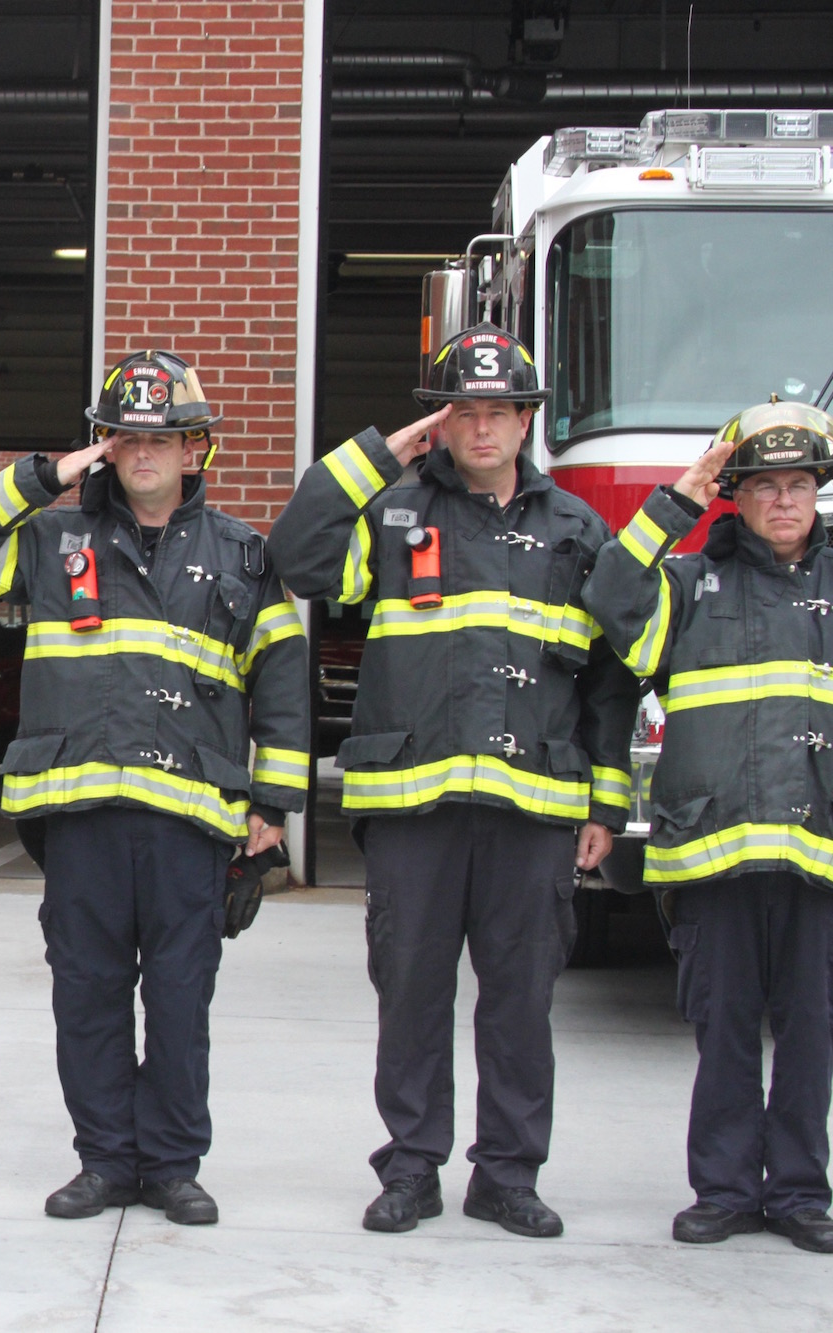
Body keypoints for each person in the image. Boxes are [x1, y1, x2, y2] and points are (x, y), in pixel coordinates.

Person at [267, 324, 640, 1238]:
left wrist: (606, 797)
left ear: (526, 422)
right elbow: (299, 556)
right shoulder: (392, 513)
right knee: (413, 994)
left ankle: (508, 1173)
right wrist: (376, 454)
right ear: (442, 422)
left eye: (500, 411)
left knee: (521, 1002)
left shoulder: (575, 529)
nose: (483, 428)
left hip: (535, 807)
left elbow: (611, 672)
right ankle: (411, 1166)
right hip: (413, 808)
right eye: (464, 411)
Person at [0, 350, 310, 1222]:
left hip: (191, 823)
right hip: (80, 819)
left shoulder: (245, 557)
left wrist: (272, 808)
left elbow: (282, 680)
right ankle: (104, 1159)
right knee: (88, 996)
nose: (144, 452)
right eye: (125, 437)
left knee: (180, 1001)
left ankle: (173, 1163)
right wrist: (44, 476)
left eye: (163, 437)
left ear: (194, 450)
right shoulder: (50, 541)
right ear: (104, 448)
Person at [580, 399, 833, 1255]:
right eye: (766, 486)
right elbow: (609, 592)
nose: (786, 501)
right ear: (739, 497)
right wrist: (679, 499)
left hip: (819, 857)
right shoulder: (689, 585)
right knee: (721, 1027)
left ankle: (800, 1190)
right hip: (714, 856)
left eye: (801, 484)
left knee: (812, 1029)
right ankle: (723, 1188)